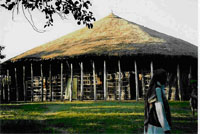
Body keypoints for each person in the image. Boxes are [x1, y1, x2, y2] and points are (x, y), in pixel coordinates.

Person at [144, 69, 171, 134]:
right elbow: (160, 110)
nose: (166, 80)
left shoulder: (152, 89)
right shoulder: (157, 90)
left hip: (151, 124)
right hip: (157, 126)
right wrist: (166, 128)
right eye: (165, 77)